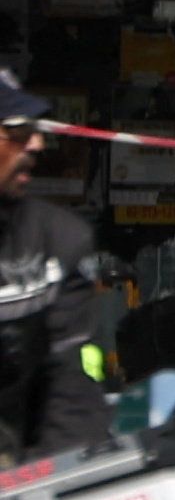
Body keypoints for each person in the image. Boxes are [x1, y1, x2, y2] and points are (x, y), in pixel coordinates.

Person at [0, 75, 111, 458]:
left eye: (35, 130)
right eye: (17, 130)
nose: (36, 143)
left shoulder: (58, 239)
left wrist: (64, 473)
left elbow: (70, 373)